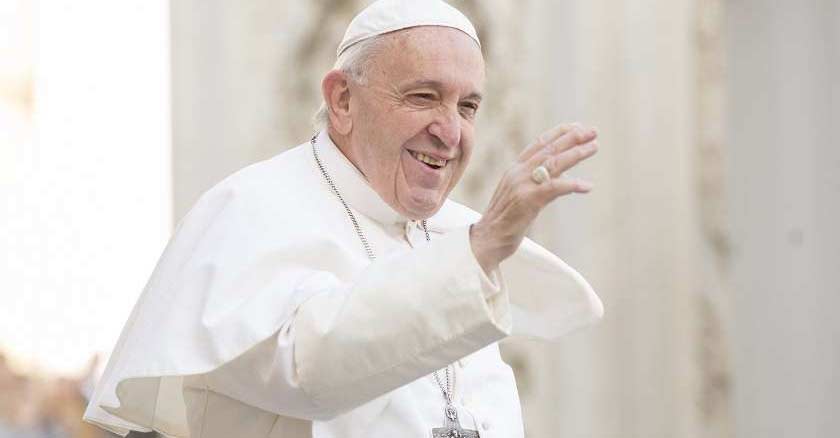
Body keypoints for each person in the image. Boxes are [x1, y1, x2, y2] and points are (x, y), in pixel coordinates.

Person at [83, 1, 603, 437]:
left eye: (467, 107)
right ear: (342, 100)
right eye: (423, 97)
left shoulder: (451, 236)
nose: (450, 132)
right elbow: (309, 371)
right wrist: (482, 248)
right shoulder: (253, 208)